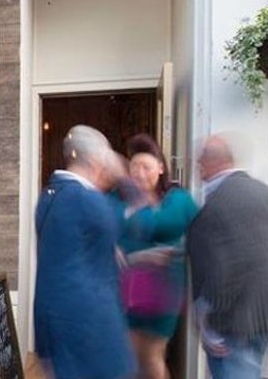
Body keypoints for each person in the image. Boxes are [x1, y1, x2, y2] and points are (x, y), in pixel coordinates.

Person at [34, 125, 135, 379]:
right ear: (95, 159)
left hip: (53, 321)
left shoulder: (48, 196)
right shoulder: (89, 201)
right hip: (89, 327)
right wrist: (123, 176)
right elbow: (139, 225)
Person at [186, 134, 268, 379]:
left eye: (201, 160)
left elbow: (226, 263)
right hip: (265, 312)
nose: (198, 166)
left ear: (211, 162)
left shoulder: (219, 201)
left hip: (232, 320)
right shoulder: (266, 193)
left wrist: (207, 316)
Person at [115, 134, 198, 379]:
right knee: (129, 355)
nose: (140, 173)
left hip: (163, 291)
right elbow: (100, 227)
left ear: (161, 168)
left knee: (152, 354)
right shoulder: (117, 198)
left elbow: (200, 234)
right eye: (134, 167)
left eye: (146, 167)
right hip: (124, 290)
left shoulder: (178, 199)